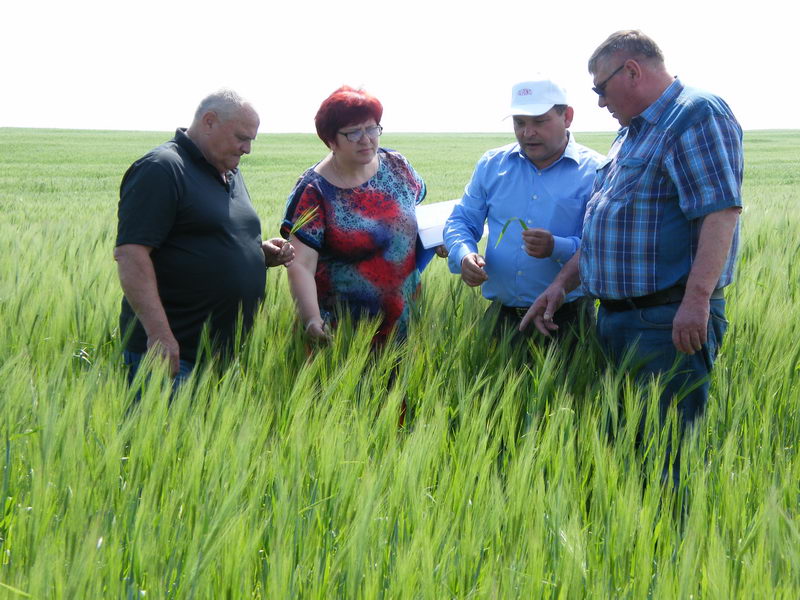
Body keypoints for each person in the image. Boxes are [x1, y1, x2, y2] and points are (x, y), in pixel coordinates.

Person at [522, 30, 743, 431]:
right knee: (626, 447)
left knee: (665, 448)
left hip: (666, 320)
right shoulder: (630, 133)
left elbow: (720, 212)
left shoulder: (695, 114)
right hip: (618, 320)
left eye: (601, 89)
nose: (600, 102)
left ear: (632, 71)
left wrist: (696, 302)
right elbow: (605, 228)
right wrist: (560, 285)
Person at [115, 89, 294, 385]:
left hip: (223, 358)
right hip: (173, 356)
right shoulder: (162, 168)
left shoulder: (228, 171)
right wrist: (159, 335)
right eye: (241, 138)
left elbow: (208, 238)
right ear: (209, 121)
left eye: (251, 140)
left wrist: (258, 253)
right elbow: (131, 254)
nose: (247, 149)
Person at [443, 77, 604, 341]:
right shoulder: (492, 165)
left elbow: (601, 246)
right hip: (500, 319)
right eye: (520, 123)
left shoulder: (596, 171)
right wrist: (464, 255)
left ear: (567, 117)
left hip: (567, 320)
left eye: (539, 121)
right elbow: (462, 220)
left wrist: (556, 247)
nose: (528, 133)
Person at [281, 86, 438, 346]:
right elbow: (301, 264)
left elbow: (414, 214)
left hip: (404, 318)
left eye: (372, 128)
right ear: (331, 140)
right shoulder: (314, 191)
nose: (366, 139)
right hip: (343, 331)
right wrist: (311, 319)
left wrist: (437, 239)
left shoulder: (397, 166)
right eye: (353, 132)